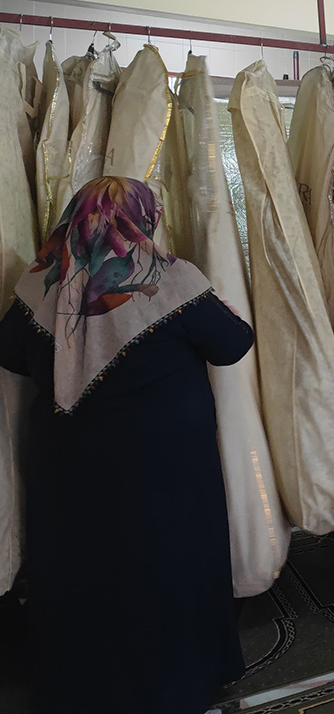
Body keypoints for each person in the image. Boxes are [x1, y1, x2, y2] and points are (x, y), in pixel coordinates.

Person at [0, 177, 253, 714]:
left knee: (81, 566)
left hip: (69, 463)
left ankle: (80, 686)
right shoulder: (172, 279)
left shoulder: (39, 281)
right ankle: (176, 684)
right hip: (166, 465)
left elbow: (9, 353)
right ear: (142, 219)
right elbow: (232, 344)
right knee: (170, 562)